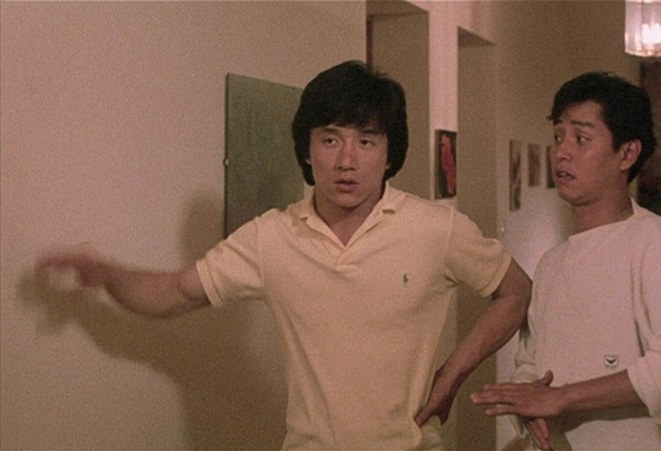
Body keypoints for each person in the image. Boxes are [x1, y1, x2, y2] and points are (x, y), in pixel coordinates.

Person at [37, 60, 532, 450]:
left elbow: (515, 292)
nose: (347, 160)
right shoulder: (272, 238)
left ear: (388, 153)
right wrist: (105, 273)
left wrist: (451, 375)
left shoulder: (435, 230)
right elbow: (173, 292)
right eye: (330, 139)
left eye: (366, 141)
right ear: (307, 149)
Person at [470, 71, 661, 450]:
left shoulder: (656, 242)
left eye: (582, 139)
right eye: (558, 137)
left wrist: (564, 397)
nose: (562, 152)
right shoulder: (551, 264)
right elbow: (530, 363)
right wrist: (529, 404)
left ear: (627, 154)